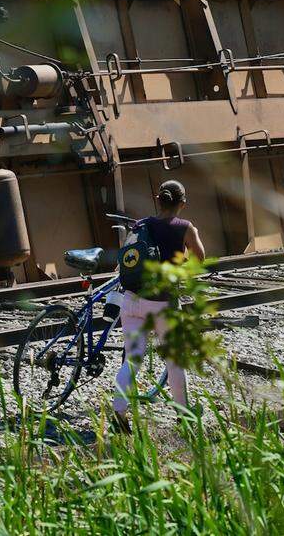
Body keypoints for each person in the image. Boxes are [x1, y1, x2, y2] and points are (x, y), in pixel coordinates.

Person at [110, 179, 205, 429]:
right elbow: (200, 259)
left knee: (132, 359)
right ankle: (183, 413)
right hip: (162, 304)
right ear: (182, 203)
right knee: (174, 360)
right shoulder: (185, 227)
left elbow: (126, 259)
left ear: (158, 199)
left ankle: (118, 413)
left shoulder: (140, 225)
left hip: (131, 301)